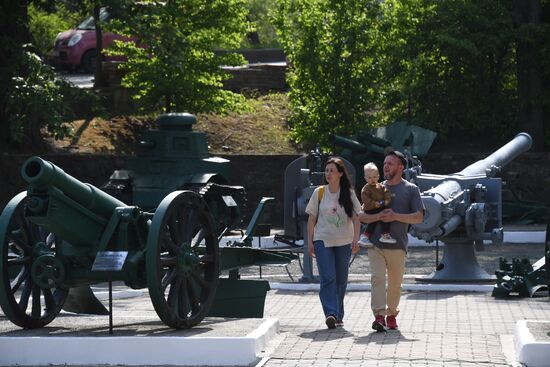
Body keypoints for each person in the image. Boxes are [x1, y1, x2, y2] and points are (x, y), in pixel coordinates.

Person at [359, 150, 424, 332]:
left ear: (401, 167)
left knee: (395, 283)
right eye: (385, 163)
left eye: (391, 163)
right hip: (375, 243)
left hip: (398, 244)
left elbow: (418, 217)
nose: (386, 166)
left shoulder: (411, 189)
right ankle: (379, 316)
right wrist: (378, 215)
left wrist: (395, 216)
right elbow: (362, 216)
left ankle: (391, 315)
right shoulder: (375, 187)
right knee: (377, 278)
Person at [306, 157, 361, 329]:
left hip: (344, 240)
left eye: (332, 170)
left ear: (340, 173)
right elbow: (311, 219)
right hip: (322, 239)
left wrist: (355, 239)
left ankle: (338, 313)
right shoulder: (319, 192)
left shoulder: (349, 194)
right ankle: (330, 312)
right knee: (328, 277)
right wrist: (310, 242)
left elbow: (357, 218)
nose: (328, 173)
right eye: (327, 170)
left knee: (341, 279)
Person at [358, 162, 396, 247]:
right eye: (369, 177)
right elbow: (365, 199)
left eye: (374, 177)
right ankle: (384, 234)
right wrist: (374, 203)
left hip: (379, 206)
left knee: (377, 220)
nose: (372, 179)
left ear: (378, 176)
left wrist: (387, 199)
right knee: (380, 217)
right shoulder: (366, 189)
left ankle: (367, 236)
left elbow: (386, 192)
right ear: (365, 178)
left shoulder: (380, 186)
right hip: (370, 208)